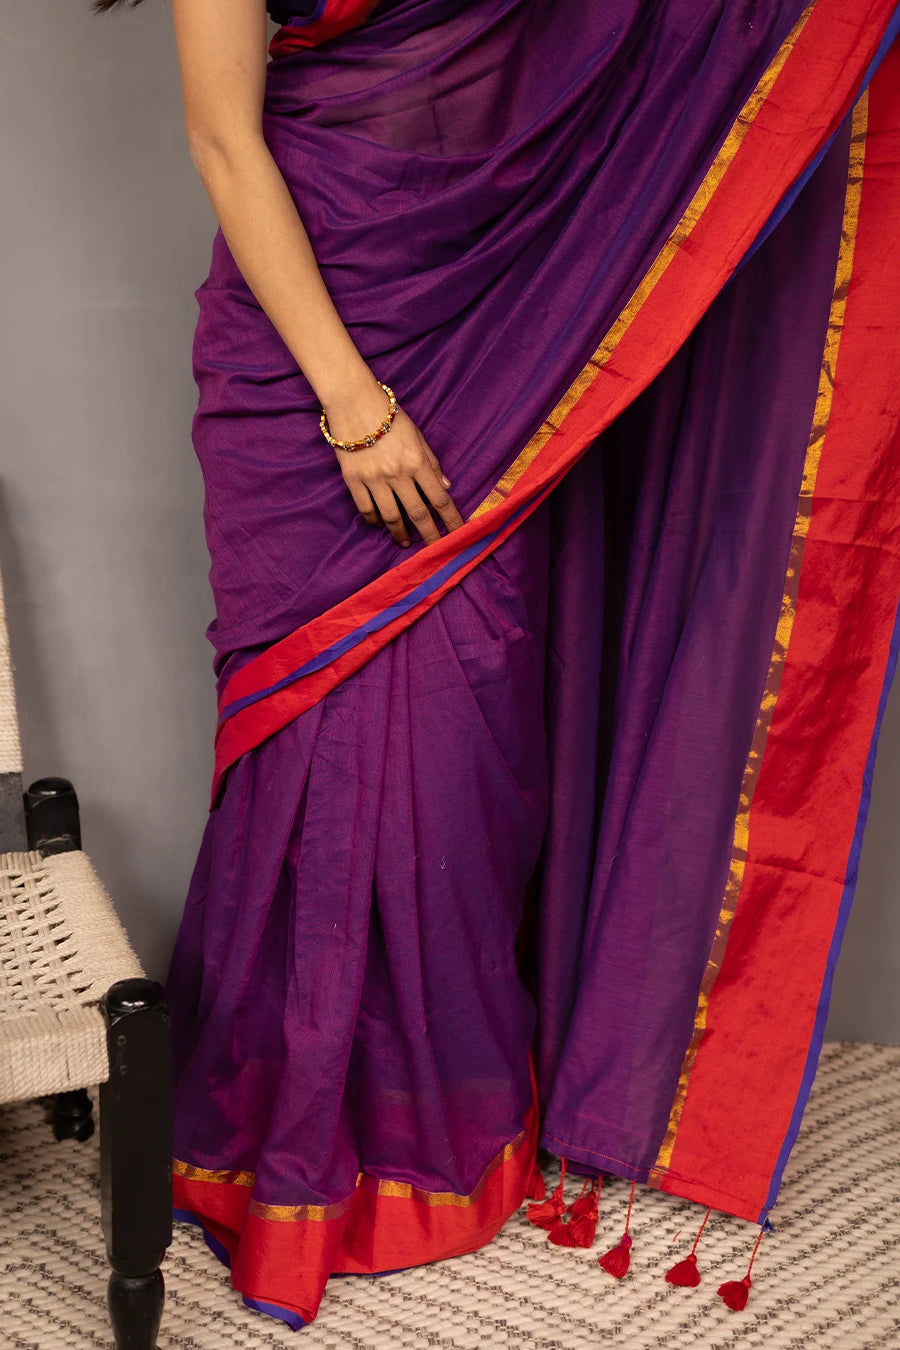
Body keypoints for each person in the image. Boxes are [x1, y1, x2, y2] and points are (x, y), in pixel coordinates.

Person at [95, 0, 900, 1329]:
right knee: (329, 750)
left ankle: (443, 1125)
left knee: (471, 766)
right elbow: (224, 143)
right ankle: (292, 1154)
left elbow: (622, 34)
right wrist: (354, 408)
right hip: (316, 372)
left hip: (502, 336)